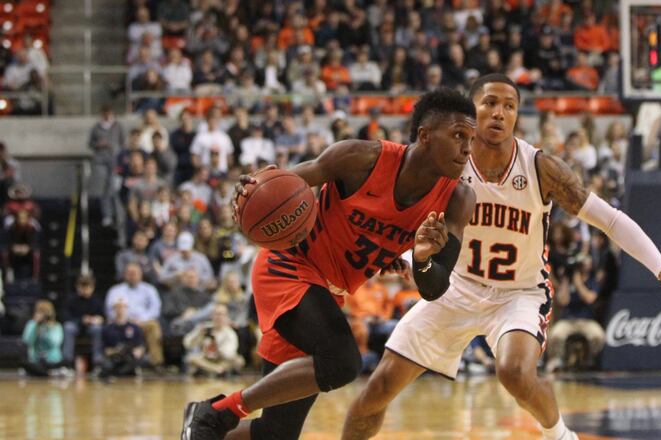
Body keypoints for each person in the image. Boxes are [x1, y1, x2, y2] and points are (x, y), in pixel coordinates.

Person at [342, 74, 661, 440]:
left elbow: (609, 218)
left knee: (514, 372)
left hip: (520, 293)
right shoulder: (447, 163)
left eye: (509, 106)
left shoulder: (540, 168)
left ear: (517, 116)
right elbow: (406, 217)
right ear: (471, 112)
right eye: (490, 103)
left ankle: (559, 434)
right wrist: (404, 255)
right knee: (379, 387)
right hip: (456, 286)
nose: (499, 113)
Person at [181, 88, 478, 439]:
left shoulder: (458, 198)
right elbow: (281, 186)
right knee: (343, 362)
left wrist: (423, 259)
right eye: (459, 135)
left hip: (327, 292)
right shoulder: (361, 158)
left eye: (471, 138)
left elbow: (435, 287)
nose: (467, 148)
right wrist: (249, 189)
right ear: (425, 136)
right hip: (288, 267)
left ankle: (202, 431)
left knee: (276, 434)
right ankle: (216, 412)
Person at [183, 304, 245, 376]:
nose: (219, 317)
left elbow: (230, 353)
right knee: (191, 358)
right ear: (211, 316)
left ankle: (212, 370)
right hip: (206, 360)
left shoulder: (229, 333)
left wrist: (216, 345)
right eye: (216, 314)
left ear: (226, 317)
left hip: (222, 360)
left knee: (239, 360)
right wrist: (198, 335)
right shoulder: (204, 328)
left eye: (222, 314)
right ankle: (216, 370)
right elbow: (187, 343)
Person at [61, 274, 105, 369]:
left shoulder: (97, 301)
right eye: (82, 287)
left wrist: (98, 319)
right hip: (76, 326)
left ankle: (98, 361)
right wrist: (81, 320)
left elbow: (103, 316)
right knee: (68, 327)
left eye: (87, 287)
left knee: (97, 329)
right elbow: (65, 317)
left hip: (91, 327)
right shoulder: (71, 299)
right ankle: (67, 361)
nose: (84, 290)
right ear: (77, 287)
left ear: (92, 288)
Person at [21, 299, 64, 377]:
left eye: (43, 312)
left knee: (64, 362)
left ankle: (43, 372)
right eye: (38, 312)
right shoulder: (31, 324)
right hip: (36, 360)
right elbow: (27, 341)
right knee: (24, 363)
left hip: (51, 360)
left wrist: (46, 331)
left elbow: (54, 344)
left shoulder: (56, 326)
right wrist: (35, 327)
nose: (40, 315)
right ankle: (50, 373)